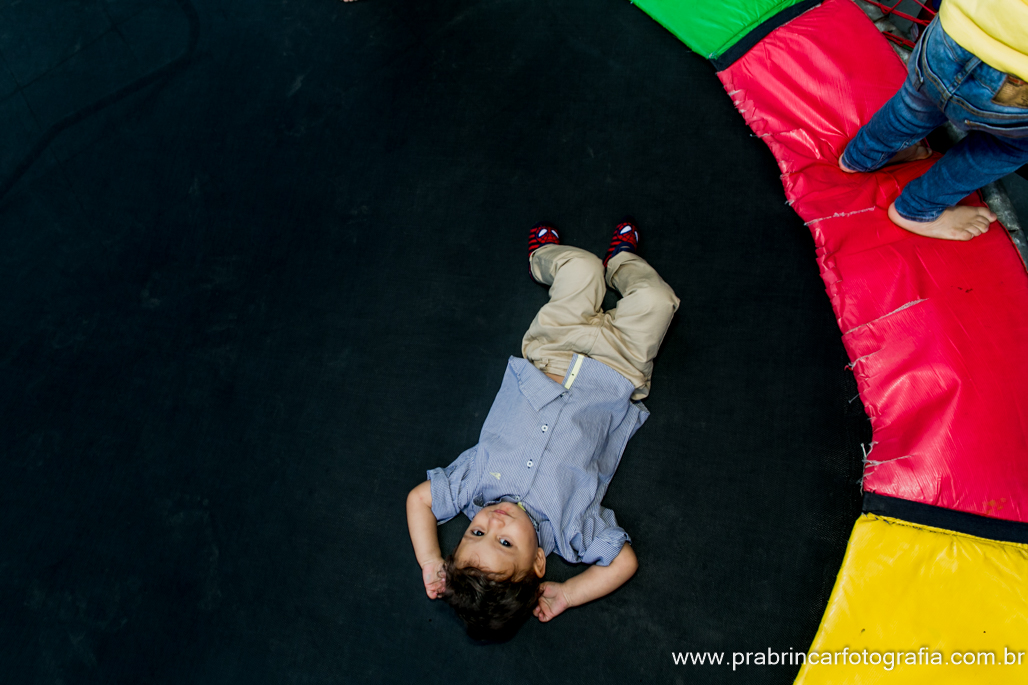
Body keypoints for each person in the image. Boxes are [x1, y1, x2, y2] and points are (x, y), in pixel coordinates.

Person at [405, 220, 679, 640]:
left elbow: (419, 500)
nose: (494, 524)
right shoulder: (572, 528)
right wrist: (569, 592)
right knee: (658, 300)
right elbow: (622, 562)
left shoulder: (473, 485)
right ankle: (624, 263)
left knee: (582, 268)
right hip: (617, 372)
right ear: (537, 563)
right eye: (506, 544)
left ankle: (541, 259)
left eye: (476, 533)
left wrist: (429, 560)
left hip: (553, 350)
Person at [839, 0, 1028, 241]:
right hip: (1018, 84)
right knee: (1004, 147)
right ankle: (918, 209)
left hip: (953, 34)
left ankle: (861, 156)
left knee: (916, 102)